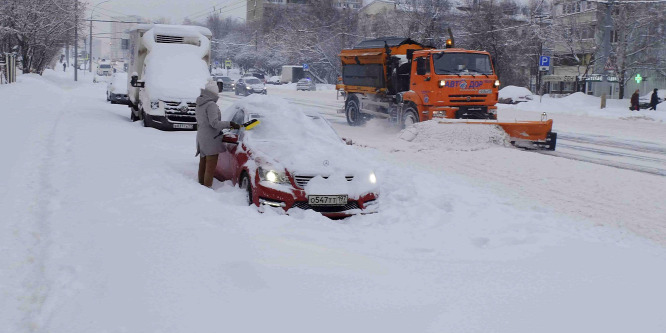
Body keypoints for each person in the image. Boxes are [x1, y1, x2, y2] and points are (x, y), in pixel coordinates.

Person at [195, 80, 241, 187]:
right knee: (210, 166)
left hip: (201, 136)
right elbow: (214, 123)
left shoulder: (200, 102)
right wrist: (230, 124)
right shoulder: (211, 105)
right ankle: (206, 187)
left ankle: (200, 185)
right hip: (211, 138)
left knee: (203, 162)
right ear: (214, 92)